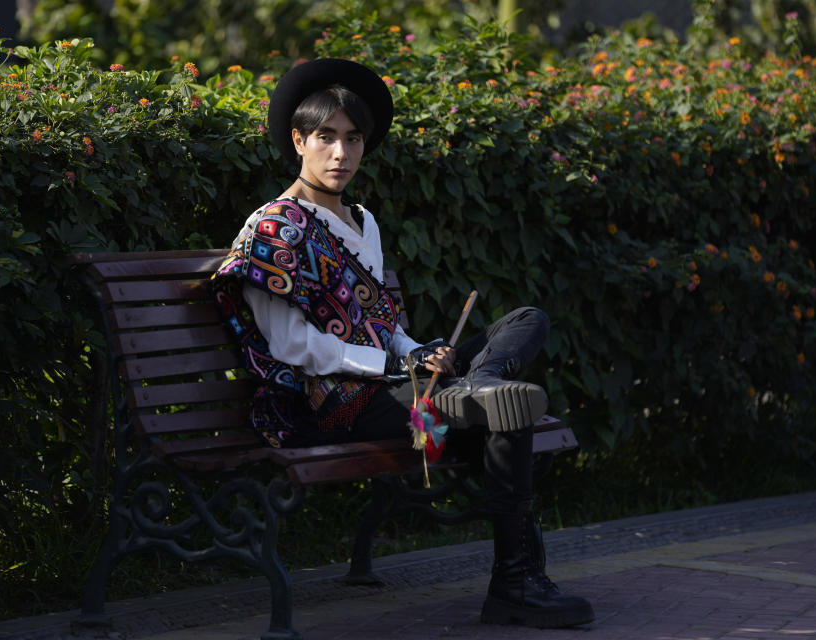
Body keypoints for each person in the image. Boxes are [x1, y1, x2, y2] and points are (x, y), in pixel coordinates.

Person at [211, 57, 594, 629]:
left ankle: (478, 388)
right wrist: (397, 361)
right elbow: (293, 346)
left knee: (526, 319)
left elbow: (383, 322)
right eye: (326, 137)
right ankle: (516, 584)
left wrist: (418, 350)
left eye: (353, 139)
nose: (340, 153)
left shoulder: (364, 221)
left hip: (399, 387)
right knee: (503, 416)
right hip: (337, 402)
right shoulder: (273, 230)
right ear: (298, 140)